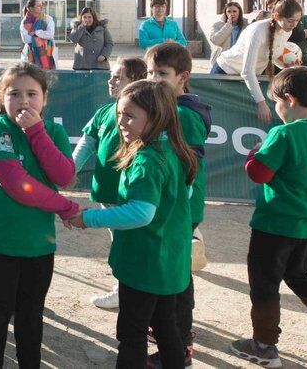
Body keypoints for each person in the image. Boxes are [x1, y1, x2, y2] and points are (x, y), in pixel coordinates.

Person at [66, 80, 198, 369]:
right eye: (119, 114)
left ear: (156, 117)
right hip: (169, 263)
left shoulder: (147, 160)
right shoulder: (176, 151)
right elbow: (184, 195)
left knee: (131, 334)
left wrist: (89, 218)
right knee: (166, 328)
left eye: (129, 116)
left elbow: (141, 213)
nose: (120, 122)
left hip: (144, 264)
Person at [0, 63, 79, 369]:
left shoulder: (53, 131)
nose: (24, 101)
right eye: (14, 94)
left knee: (31, 315)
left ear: (45, 98)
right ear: (1, 98)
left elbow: (64, 176)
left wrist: (36, 132)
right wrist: (66, 207)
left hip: (38, 244)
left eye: (32, 94)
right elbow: (19, 187)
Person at [231, 66, 307, 368]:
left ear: (289, 99)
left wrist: (255, 152)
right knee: (300, 276)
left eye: (276, 102)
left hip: (274, 227)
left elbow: (259, 174)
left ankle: (263, 345)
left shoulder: (283, 133)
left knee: (265, 285)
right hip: (306, 228)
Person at [146, 42, 212, 367]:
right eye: (150, 72)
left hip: (178, 208)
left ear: (182, 77)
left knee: (176, 276)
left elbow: (187, 167)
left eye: (162, 73)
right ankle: (170, 329)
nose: (153, 79)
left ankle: (180, 342)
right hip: (173, 206)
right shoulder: (171, 106)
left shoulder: (183, 114)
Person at [72, 57, 148, 310]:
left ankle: (125, 290)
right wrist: (67, 172)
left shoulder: (145, 118)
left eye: (117, 77)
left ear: (135, 81)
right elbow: (86, 145)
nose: (111, 81)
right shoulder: (104, 112)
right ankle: (125, 288)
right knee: (120, 242)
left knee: (128, 244)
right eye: (111, 76)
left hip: (130, 195)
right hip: (106, 191)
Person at [213, 0, 303, 123]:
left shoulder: (287, 31)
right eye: (290, 21)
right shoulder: (257, 31)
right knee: (219, 117)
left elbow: (268, 55)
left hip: (249, 77)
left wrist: (286, 67)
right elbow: (247, 71)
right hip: (225, 71)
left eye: (297, 21)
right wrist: (261, 103)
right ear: (276, 16)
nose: (294, 25)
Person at [69, 6, 114, 71]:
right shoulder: (77, 27)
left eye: (89, 17)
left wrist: (104, 55)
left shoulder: (102, 28)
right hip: (82, 65)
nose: (87, 19)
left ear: (93, 17)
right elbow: (73, 39)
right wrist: (81, 27)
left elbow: (109, 43)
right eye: (84, 17)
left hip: (99, 66)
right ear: (81, 18)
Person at [20, 0, 57, 70]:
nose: (42, 7)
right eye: (38, 6)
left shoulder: (48, 19)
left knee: (47, 74)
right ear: (31, 8)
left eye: (42, 5)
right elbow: (26, 39)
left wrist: (36, 33)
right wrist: (43, 36)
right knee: (31, 74)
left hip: (47, 52)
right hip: (30, 53)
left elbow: (50, 35)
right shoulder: (25, 22)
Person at [208, 2, 247, 66]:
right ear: (225, 13)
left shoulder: (245, 26)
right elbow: (215, 40)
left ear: (239, 12)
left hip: (238, 61)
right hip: (221, 61)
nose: (232, 14)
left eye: (234, 11)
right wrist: (228, 25)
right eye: (229, 11)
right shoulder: (218, 25)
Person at [285, 0, 307, 66]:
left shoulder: (305, 18)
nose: (295, 5)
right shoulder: (282, 19)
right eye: (292, 2)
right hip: (284, 59)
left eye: (297, 2)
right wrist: (302, 34)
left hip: (302, 59)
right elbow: (286, 34)